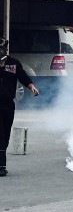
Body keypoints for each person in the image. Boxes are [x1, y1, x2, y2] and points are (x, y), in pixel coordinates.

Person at [0, 38, 39, 177]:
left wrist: (31, 86)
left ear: (5, 49)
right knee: (0, 135)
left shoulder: (14, 64)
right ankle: (1, 166)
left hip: (8, 105)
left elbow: (23, 77)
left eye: (1, 48)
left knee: (5, 134)